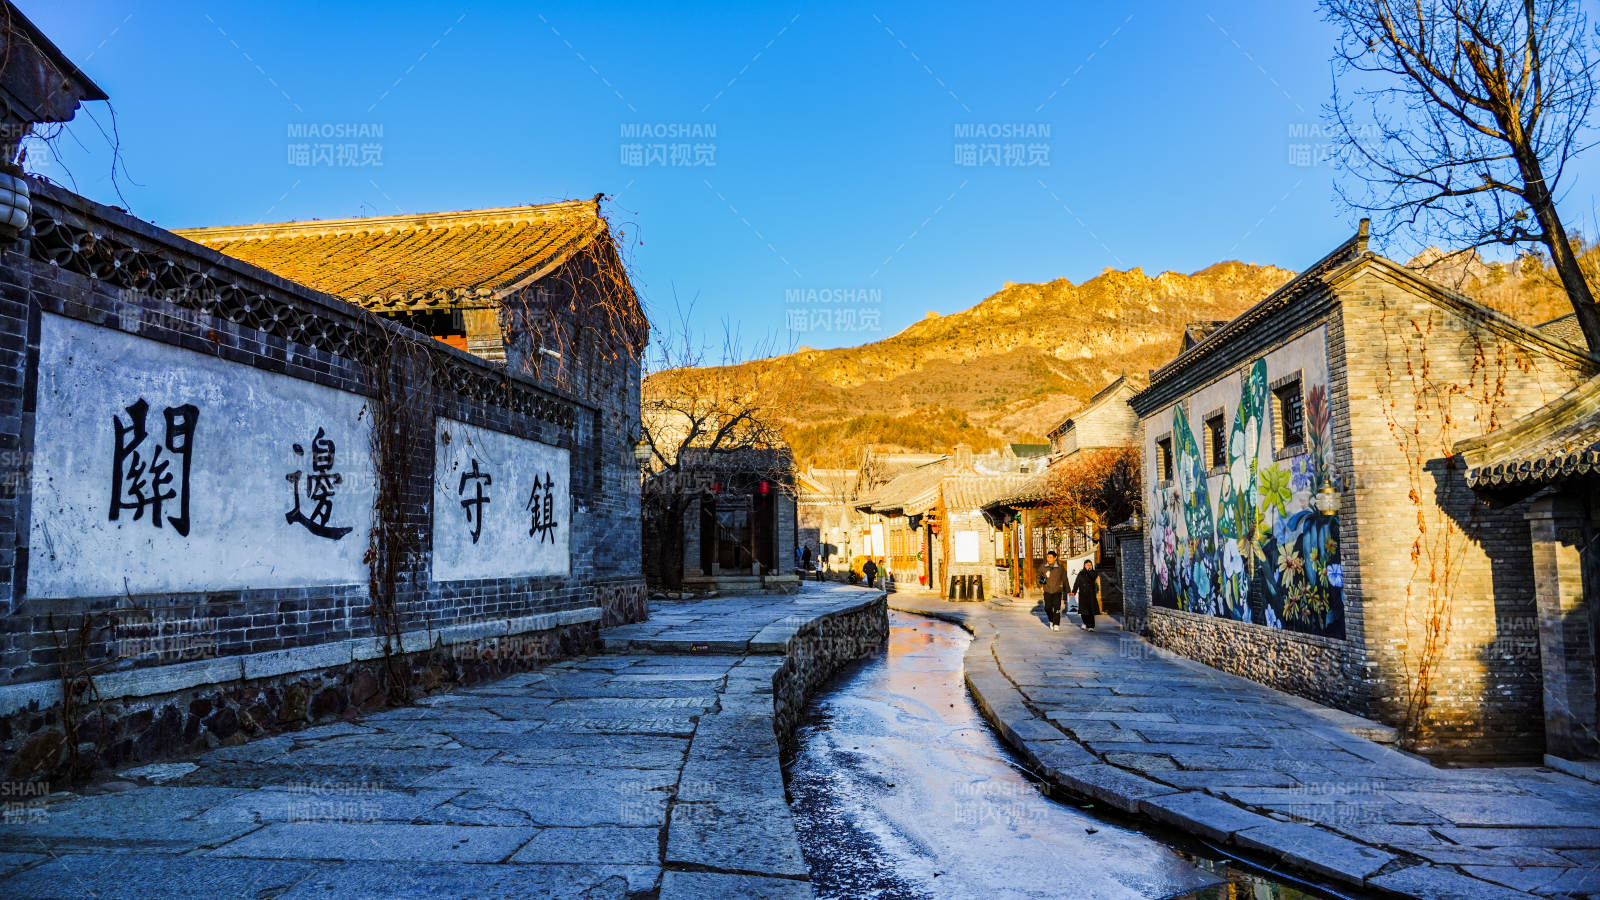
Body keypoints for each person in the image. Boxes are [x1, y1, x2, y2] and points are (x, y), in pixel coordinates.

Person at [1039, 550, 1067, 631]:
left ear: (1055, 558)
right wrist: (1041, 586)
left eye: (1050, 557)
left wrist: (1067, 589)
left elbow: (1065, 578)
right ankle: (1051, 620)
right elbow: (1039, 576)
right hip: (1047, 590)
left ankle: (1056, 624)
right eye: (1048, 557)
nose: (1049, 558)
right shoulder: (1043, 567)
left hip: (1057, 590)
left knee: (1057, 608)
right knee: (1047, 608)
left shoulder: (1060, 567)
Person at [1072, 559, 1100, 631]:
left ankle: (1091, 626)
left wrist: (1089, 570)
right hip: (1082, 595)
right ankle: (1085, 623)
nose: (1089, 566)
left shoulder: (1093, 572)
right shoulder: (1081, 573)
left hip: (1090, 595)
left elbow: (1093, 577)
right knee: (1083, 611)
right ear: (1084, 565)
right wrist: (1073, 592)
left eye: (1090, 565)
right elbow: (1076, 583)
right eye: (1087, 565)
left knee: (1090, 611)